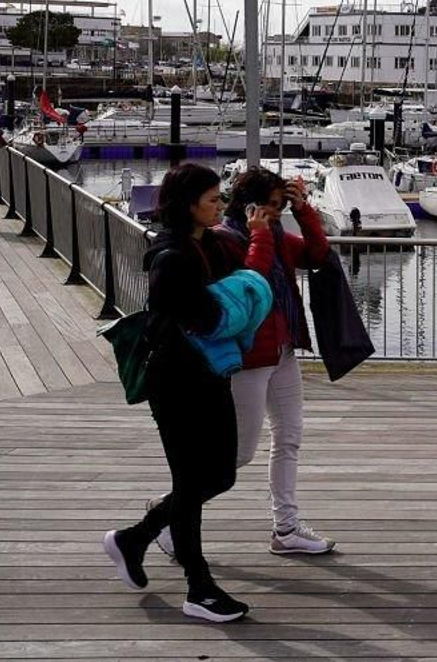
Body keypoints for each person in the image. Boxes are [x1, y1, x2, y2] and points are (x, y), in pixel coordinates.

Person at [102, 164, 277, 624]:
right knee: (191, 480)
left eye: (220, 198)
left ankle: (134, 539)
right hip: (175, 380)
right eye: (212, 200)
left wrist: (245, 279)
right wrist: (239, 300)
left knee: (219, 474)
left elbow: (241, 288)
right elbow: (206, 316)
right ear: (187, 204)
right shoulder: (171, 256)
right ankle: (198, 587)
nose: (220, 206)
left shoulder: (210, 244)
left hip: (210, 374)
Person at [217, 167, 336, 555]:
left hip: (282, 348)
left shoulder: (278, 234)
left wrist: (304, 212)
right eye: (270, 206)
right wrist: (261, 235)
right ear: (247, 204)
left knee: (289, 437)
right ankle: (170, 516)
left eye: (280, 206)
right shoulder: (224, 239)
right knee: (238, 451)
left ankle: (286, 529)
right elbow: (253, 282)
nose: (275, 213)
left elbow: (318, 254)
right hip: (250, 355)